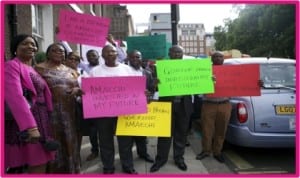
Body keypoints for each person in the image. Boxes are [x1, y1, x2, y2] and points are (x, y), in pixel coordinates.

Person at [5, 34, 55, 173]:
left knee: (41, 160)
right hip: (25, 122)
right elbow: (15, 96)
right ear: (15, 48)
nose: (30, 46)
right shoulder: (11, 66)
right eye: (25, 44)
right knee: (36, 161)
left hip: (42, 119)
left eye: (33, 44)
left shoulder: (33, 69)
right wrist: (30, 127)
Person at [89, 44, 138, 174]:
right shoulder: (95, 71)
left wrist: (142, 93)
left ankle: (128, 166)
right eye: (107, 52)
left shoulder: (127, 69)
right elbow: (90, 92)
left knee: (125, 142)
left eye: (113, 52)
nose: (110, 54)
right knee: (105, 142)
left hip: (124, 113)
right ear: (103, 55)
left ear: (117, 54)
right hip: (103, 114)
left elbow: (135, 90)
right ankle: (108, 167)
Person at [35, 43, 83, 173]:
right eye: (54, 50)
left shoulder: (71, 71)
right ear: (48, 53)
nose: (59, 53)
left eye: (62, 51)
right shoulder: (38, 69)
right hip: (50, 113)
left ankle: (71, 170)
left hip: (69, 113)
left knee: (70, 140)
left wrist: (77, 90)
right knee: (54, 141)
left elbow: (79, 87)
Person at [150, 45, 193, 172]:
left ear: (182, 54)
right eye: (174, 52)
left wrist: (209, 81)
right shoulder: (160, 67)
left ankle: (179, 158)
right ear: (169, 53)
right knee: (164, 134)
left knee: (181, 134)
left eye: (179, 52)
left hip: (183, 105)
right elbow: (153, 88)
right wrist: (155, 84)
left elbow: (199, 83)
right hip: (166, 105)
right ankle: (160, 159)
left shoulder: (190, 68)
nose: (176, 54)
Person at [195, 51, 231, 163]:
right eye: (215, 56)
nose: (218, 58)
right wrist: (208, 82)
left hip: (225, 104)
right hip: (209, 104)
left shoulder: (230, 72)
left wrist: (256, 83)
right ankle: (206, 151)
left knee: (221, 130)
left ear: (223, 59)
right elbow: (198, 90)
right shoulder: (205, 72)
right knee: (206, 129)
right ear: (211, 59)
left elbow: (242, 85)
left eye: (220, 56)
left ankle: (217, 152)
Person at [125, 50, 155, 163]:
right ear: (128, 58)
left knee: (141, 135)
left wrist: (151, 91)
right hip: (126, 109)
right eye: (132, 57)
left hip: (141, 108)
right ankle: (127, 161)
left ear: (141, 58)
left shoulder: (147, 73)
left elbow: (151, 90)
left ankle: (143, 153)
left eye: (137, 57)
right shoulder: (123, 72)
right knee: (127, 138)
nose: (135, 59)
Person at [81, 49, 101, 161]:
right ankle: (94, 150)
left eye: (93, 55)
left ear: (98, 56)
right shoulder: (84, 68)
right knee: (92, 131)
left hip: (105, 104)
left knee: (105, 130)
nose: (91, 57)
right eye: (88, 56)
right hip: (91, 104)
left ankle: (106, 151)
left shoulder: (104, 67)